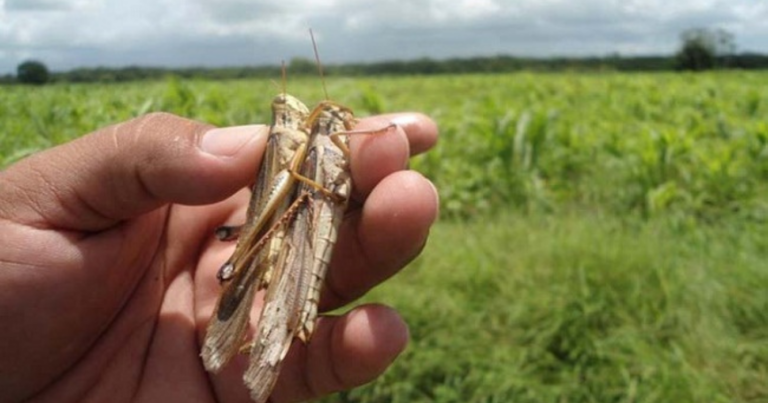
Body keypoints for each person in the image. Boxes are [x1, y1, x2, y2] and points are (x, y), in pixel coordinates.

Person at [0, 111, 439, 402]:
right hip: (277, 219)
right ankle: (260, 317)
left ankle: (273, 323)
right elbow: (295, 181)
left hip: (292, 214)